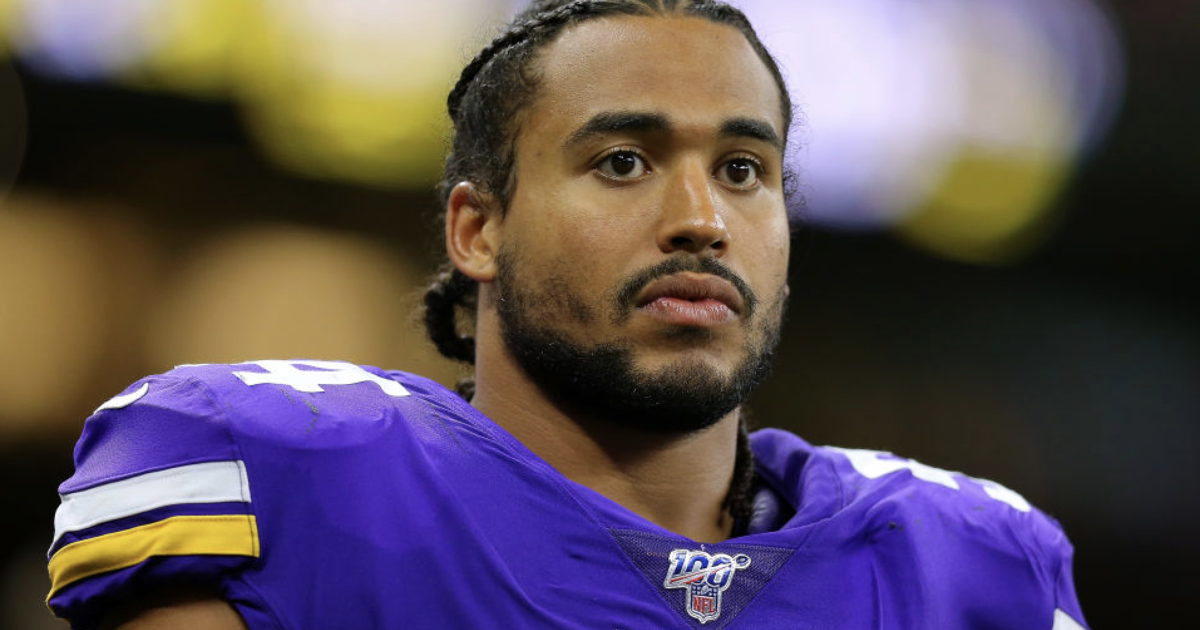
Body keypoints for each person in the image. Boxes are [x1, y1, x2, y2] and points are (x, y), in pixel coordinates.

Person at [45, 1, 1088, 628]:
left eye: (742, 169)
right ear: (476, 230)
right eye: (622, 162)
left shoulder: (966, 564)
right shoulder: (272, 471)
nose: (700, 220)